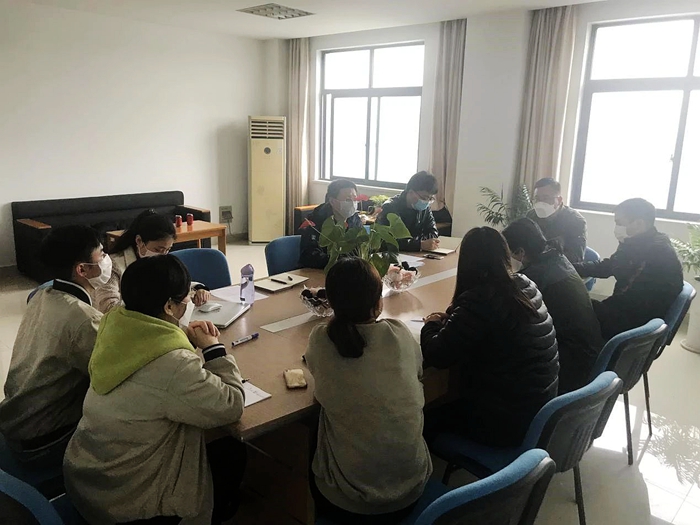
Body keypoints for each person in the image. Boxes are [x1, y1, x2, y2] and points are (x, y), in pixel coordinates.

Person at [63, 255, 247, 525]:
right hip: (130, 503)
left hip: (90, 478)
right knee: (232, 450)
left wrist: (181, 335)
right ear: (169, 306)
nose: (188, 304)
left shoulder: (113, 324)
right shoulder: (173, 364)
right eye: (185, 299)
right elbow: (231, 405)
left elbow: (153, 352)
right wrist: (214, 349)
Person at [305, 257, 432, 524]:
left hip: (349, 502)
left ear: (331, 303)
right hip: (412, 492)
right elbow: (418, 373)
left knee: (311, 429)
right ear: (378, 303)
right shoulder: (401, 334)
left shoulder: (321, 340)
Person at [421, 227, 559, 447]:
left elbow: (437, 354)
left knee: (422, 420)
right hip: (539, 408)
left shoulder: (481, 300)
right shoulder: (524, 283)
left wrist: (430, 324)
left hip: (507, 421)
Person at [0, 226, 105, 468]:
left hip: (15, 419)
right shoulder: (83, 319)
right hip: (43, 438)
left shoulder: (42, 294)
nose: (106, 260)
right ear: (82, 269)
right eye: (101, 254)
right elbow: (113, 374)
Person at [503, 218, 604, 392]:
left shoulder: (533, 277)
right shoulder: (558, 258)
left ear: (521, 252)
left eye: (509, 253)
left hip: (570, 365)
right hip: (588, 352)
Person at [574, 198, 683, 340]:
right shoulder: (637, 242)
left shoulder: (656, 252)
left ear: (639, 223)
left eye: (620, 223)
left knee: (566, 306)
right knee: (571, 304)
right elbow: (608, 266)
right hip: (628, 311)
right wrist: (570, 267)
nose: (616, 228)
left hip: (633, 321)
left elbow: (630, 301)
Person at [96, 209, 210, 313]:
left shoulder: (159, 262)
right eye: (158, 249)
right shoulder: (113, 266)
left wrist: (197, 289)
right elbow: (108, 308)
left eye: (167, 250)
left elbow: (174, 285)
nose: (163, 255)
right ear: (139, 241)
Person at [299, 179, 363, 269]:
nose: (352, 204)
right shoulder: (315, 220)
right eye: (348, 199)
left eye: (355, 199)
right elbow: (309, 256)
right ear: (332, 201)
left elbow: (359, 250)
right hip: (319, 271)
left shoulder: (355, 219)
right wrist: (339, 261)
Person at [526, 177, 587, 263]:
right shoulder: (531, 216)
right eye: (537, 199)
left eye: (546, 198)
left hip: (560, 267)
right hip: (534, 265)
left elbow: (575, 257)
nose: (540, 203)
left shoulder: (576, 221)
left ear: (559, 200)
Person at [377, 171, 440, 252]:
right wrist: (419, 244)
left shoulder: (425, 209)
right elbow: (388, 241)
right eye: (424, 197)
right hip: (391, 255)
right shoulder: (389, 207)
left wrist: (421, 243)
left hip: (415, 254)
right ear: (411, 192)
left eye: (430, 198)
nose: (426, 201)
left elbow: (433, 233)